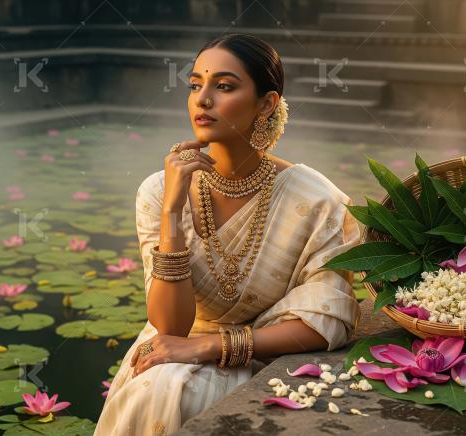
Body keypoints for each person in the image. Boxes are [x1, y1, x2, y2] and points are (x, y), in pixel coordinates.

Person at [94, 33, 361, 436]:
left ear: (266, 104)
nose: (202, 99)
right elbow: (170, 327)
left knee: (174, 388)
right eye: (196, 84)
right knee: (160, 386)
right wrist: (171, 210)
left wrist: (209, 347)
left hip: (262, 355)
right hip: (167, 352)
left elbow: (329, 319)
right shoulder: (157, 191)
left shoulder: (317, 201)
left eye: (224, 86)